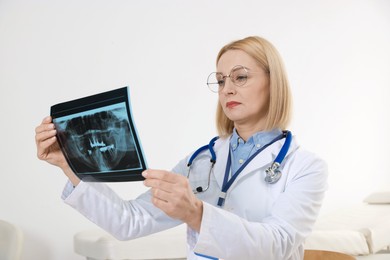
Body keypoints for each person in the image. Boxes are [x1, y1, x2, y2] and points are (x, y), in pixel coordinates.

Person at [35, 36, 328, 260]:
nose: (227, 89)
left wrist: (198, 215)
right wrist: (68, 163)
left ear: (273, 82)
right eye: (221, 80)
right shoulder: (200, 162)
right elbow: (130, 221)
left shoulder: (304, 167)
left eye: (240, 77)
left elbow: (278, 245)